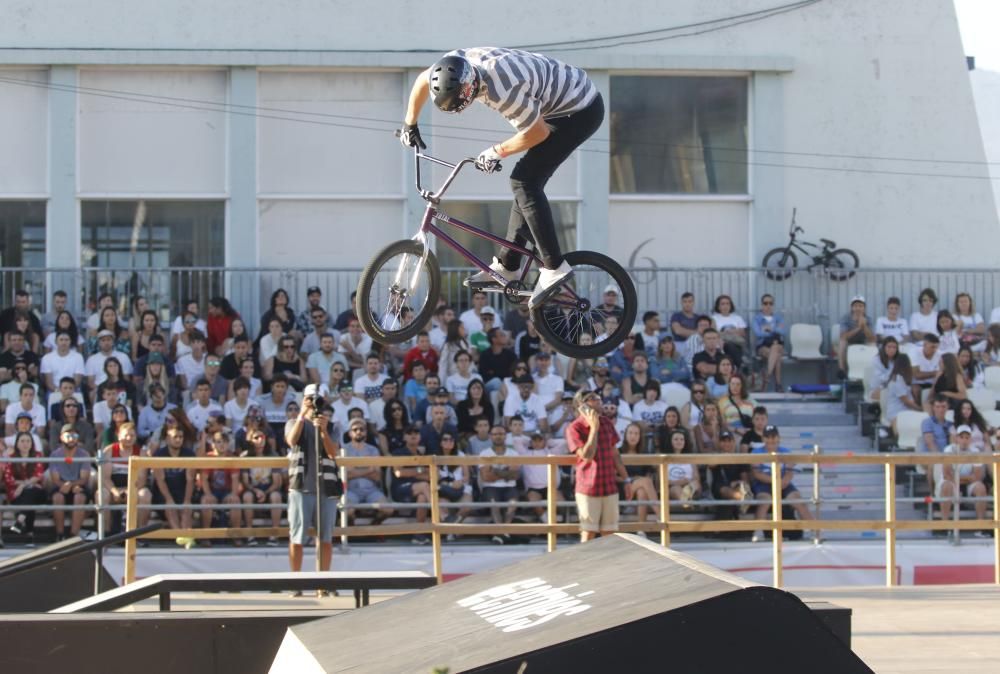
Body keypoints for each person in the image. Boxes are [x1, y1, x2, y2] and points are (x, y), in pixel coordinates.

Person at [401, 48, 603, 309]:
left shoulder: (504, 91)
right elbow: (421, 80)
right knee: (523, 182)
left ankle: (555, 267)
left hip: (579, 111)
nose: (463, 112)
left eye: (464, 104)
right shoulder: (452, 65)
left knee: (525, 182)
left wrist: (496, 152)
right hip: (553, 103)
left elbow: (537, 133)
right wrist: (410, 123)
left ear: (471, 87)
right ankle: (508, 266)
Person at [285, 386, 341, 586]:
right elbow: (291, 440)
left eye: (316, 399)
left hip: (326, 487)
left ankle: (323, 582)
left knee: (325, 538)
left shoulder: (331, 426)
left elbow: (333, 453)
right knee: (297, 537)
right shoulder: (293, 422)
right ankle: (296, 582)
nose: (313, 403)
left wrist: (324, 430)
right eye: (309, 399)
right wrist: (301, 414)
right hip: (301, 486)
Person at [565, 389, 629, 542]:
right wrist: (594, 428)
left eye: (598, 397)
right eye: (592, 398)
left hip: (609, 485)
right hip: (588, 487)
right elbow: (587, 455)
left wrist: (626, 480)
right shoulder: (574, 428)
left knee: (610, 533)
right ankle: (585, 566)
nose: (598, 400)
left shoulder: (606, 422)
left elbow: (615, 454)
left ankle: (607, 566)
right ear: (582, 405)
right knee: (588, 533)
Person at [749, 425, 816, 543]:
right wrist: (774, 481)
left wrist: (783, 481)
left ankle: (814, 531)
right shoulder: (756, 452)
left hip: (783, 482)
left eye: (773, 436)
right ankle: (758, 532)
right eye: (767, 437)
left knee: (797, 499)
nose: (771, 440)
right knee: (765, 500)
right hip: (763, 483)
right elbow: (757, 474)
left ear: (778, 438)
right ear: (763, 438)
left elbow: (790, 472)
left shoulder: (786, 452)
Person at [935, 425, 989, 532]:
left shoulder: (975, 452)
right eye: (962, 437)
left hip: (967, 484)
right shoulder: (948, 450)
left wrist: (961, 479)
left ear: (970, 439)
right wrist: (966, 478)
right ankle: (944, 525)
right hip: (952, 482)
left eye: (967, 437)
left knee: (980, 488)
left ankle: (980, 526)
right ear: (957, 438)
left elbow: (977, 476)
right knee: (947, 485)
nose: (964, 440)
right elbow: (946, 474)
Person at [99, 422, 152, 532]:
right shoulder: (110, 450)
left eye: (132, 435)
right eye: (126, 435)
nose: (129, 438)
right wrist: (115, 492)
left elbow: (142, 478)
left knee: (145, 494)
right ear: (119, 436)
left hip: (134, 487)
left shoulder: (141, 452)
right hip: (113, 488)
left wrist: (130, 491)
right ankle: (106, 533)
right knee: (101, 494)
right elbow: (105, 478)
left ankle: (139, 533)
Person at [342, 417, 393, 526]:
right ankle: (352, 534)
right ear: (349, 433)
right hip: (351, 490)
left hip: (371, 490)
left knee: (388, 510)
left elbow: (377, 476)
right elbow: (345, 475)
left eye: (362, 429)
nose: (358, 432)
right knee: (347, 511)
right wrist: (368, 470)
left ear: (366, 432)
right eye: (355, 429)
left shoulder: (373, 450)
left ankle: (372, 530)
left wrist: (354, 470)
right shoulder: (343, 450)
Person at [240, 428, 283, 547]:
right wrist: (255, 490)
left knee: (276, 497)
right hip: (252, 488)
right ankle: (249, 534)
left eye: (262, 437)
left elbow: (276, 482)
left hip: (269, 487)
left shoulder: (273, 455)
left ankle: (275, 534)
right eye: (256, 438)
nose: (260, 440)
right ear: (250, 441)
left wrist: (266, 492)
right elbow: (245, 481)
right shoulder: (245, 456)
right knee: (247, 497)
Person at [479, 424, 522, 544]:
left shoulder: (513, 453)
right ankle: (501, 533)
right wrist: (506, 472)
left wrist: (495, 471)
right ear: (490, 436)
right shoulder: (484, 453)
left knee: (513, 504)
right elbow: (486, 477)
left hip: (510, 487)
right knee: (494, 504)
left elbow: (516, 476)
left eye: (501, 434)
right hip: (490, 488)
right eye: (495, 434)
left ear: (505, 436)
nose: (498, 436)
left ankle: (502, 533)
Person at [49, 424, 92, 540]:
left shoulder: (84, 454)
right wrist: (64, 485)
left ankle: (74, 535)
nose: (71, 438)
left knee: (79, 497)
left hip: (78, 485)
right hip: (61, 485)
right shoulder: (55, 455)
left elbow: (84, 478)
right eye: (68, 435)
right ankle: (60, 535)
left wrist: (72, 485)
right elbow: (55, 479)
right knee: (58, 497)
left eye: (74, 435)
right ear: (61, 437)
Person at [390, 425, 432, 545]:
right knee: (424, 486)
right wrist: (419, 471)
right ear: (404, 437)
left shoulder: (422, 455)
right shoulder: (398, 453)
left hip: (417, 489)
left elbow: (430, 475)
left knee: (423, 497)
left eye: (416, 433)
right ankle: (442, 515)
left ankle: (418, 534)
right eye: (409, 433)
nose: (413, 435)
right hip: (400, 489)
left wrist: (411, 473)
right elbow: (399, 472)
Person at [617, 422, 660, 532]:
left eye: (636, 433)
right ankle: (661, 515)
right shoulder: (618, 452)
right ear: (625, 435)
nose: (633, 436)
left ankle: (641, 530)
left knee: (642, 491)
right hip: (622, 489)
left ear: (640, 436)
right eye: (630, 433)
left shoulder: (643, 453)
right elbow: (613, 477)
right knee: (645, 482)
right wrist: (631, 480)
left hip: (637, 492)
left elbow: (649, 473)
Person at [4, 431, 46, 541]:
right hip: (17, 495)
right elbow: (9, 479)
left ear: (32, 443)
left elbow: (39, 475)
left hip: (36, 493)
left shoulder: (37, 455)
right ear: (17, 443)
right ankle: (29, 533)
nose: (25, 444)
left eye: (28, 441)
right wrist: (28, 483)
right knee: (29, 494)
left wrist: (22, 485)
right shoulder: (11, 457)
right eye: (22, 441)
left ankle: (20, 521)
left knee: (30, 492)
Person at [918, 395, 953, 494]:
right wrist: (940, 458)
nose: (940, 409)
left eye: (943, 406)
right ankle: (932, 493)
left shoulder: (951, 424)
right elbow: (930, 443)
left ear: (947, 407)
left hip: (947, 457)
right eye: (937, 406)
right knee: (933, 464)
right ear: (933, 408)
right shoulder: (927, 422)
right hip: (930, 456)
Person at [752, 294, 786, 392]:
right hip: (763, 346)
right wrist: (775, 331)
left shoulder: (778, 318)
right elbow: (758, 333)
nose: (768, 305)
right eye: (765, 303)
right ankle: (778, 385)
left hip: (778, 345)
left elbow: (783, 331)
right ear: (761, 305)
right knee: (777, 356)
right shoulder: (757, 319)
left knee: (775, 348)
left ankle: (766, 378)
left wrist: (769, 329)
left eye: (770, 303)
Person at [837, 295, 875, 375]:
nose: (858, 308)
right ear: (852, 308)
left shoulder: (868, 319)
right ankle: (842, 370)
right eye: (855, 306)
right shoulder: (846, 318)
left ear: (864, 308)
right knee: (842, 342)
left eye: (860, 306)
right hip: (849, 342)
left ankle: (871, 372)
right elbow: (843, 336)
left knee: (873, 344)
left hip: (863, 342)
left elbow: (872, 339)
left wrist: (864, 326)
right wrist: (858, 328)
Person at [909, 333, 941, 402]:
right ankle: (918, 410)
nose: (935, 350)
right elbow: (917, 375)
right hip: (917, 383)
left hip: (934, 383)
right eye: (932, 347)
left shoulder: (939, 354)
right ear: (924, 345)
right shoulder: (914, 352)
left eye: (936, 347)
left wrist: (935, 374)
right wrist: (935, 373)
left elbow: (940, 375)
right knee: (915, 389)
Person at [868, 337, 899, 402]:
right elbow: (880, 379)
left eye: (894, 347)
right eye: (889, 347)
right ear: (884, 348)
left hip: (894, 387)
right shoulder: (876, 360)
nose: (892, 350)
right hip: (879, 388)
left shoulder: (899, 360)